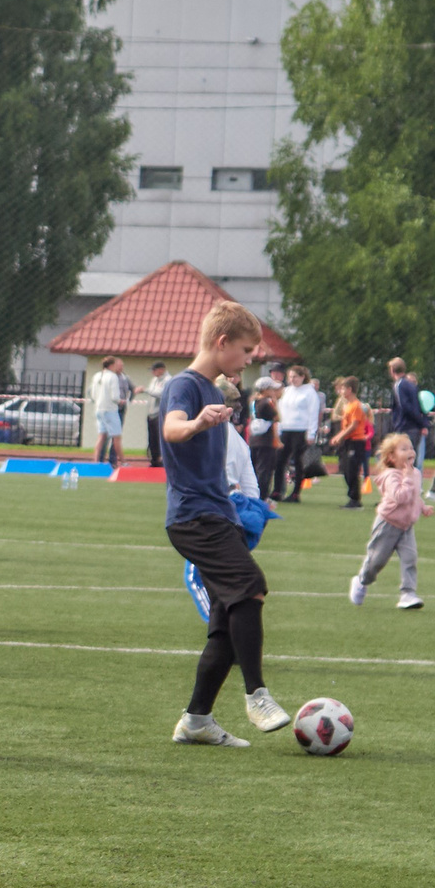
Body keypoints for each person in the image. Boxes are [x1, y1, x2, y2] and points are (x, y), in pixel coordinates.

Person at [163, 303, 287, 746]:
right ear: (222, 342)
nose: (250, 359)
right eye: (246, 350)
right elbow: (172, 428)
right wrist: (197, 422)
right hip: (195, 518)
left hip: (220, 515)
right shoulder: (186, 385)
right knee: (250, 586)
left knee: (227, 622)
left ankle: (196, 720)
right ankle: (257, 696)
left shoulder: (214, 390)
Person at [349, 434, 423, 611]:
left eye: (411, 448)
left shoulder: (415, 473)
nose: (410, 451)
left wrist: (422, 506)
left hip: (406, 526)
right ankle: (361, 581)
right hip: (388, 525)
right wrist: (407, 477)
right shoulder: (390, 476)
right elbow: (400, 497)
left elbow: (413, 496)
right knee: (376, 561)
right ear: (391, 457)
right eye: (404, 449)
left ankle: (408, 593)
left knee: (410, 558)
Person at [274, 364, 319, 502]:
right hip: (286, 429)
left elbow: (313, 413)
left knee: (298, 461)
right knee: (280, 460)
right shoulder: (286, 391)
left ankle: (295, 493)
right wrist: (278, 428)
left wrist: (311, 433)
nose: (292, 379)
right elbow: (280, 410)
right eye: (290, 377)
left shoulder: (309, 392)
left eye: (295, 377)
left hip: (301, 430)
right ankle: (277, 491)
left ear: (302, 377)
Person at [330, 377, 374, 508]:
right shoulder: (347, 405)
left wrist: (340, 437)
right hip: (348, 441)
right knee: (345, 469)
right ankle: (352, 498)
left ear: (349, 390)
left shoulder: (356, 405)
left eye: (343, 388)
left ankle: (355, 500)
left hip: (356, 441)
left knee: (352, 470)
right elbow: (346, 425)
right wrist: (339, 436)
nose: (341, 391)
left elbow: (354, 425)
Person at [388, 356, 429, 470]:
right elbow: (420, 406)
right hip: (414, 427)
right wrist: (422, 424)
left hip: (405, 427)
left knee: (402, 461)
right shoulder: (411, 385)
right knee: (411, 460)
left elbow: (405, 406)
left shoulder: (399, 385)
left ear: (392, 370)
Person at [88, 356, 130, 466]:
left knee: (101, 436)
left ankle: (96, 462)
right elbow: (114, 397)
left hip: (98, 409)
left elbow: (93, 394)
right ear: (111, 365)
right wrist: (121, 401)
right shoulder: (113, 377)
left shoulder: (97, 375)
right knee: (117, 437)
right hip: (110, 410)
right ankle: (123, 462)